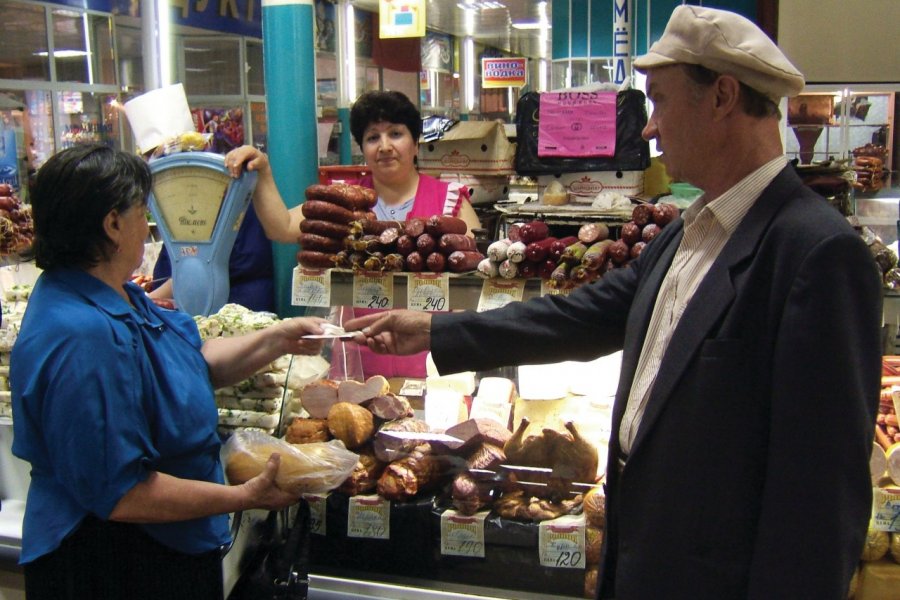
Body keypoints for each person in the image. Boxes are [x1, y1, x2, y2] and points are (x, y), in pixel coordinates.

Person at [345, 6, 882, 599]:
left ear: (723, 96)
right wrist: (433, 329)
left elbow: (820, 501)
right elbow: (579, 316)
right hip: (643, 564)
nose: (649, 130)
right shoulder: (689, 230)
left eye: (660, 102)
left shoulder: (813, 252)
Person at [10, 143, 327, 600]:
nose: (150, 226)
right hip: (110, 562)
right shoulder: (79, 334)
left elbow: (188, 364)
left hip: (167, 546)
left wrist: (276, 339)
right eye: (143, 210)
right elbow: (121, 494)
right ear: (112, 224)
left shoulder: (119, 295)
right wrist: (243, 497)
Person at [225, 90, 481, 377]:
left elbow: (474, 283)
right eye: (373, 138)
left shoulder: (450, 200)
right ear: (363, 147)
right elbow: (281, 226)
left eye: (395, 134)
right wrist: (262, 171)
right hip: (359, 356)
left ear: (416, 143)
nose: (384, 146)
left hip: (433, 360)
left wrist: (462, 352)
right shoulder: (342, 199)